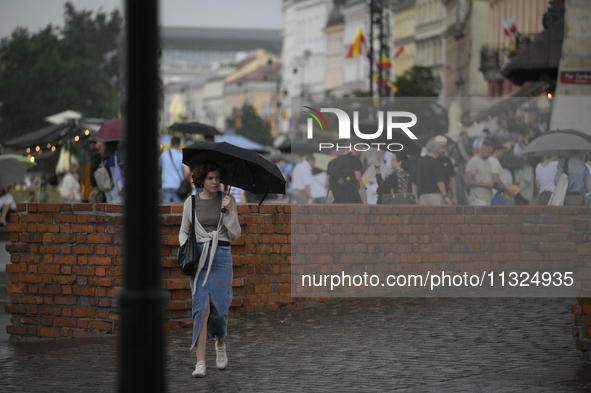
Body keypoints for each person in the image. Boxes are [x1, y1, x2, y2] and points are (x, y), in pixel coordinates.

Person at [179, 160, 241, 378]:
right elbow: (184, 231)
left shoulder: (228, 200)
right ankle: (201, 362)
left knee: (221, 309)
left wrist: (230, 213)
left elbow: (235, 234)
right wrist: (186, 250)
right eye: (210, 178)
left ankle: (220, 342)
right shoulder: (191, 202)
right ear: (201, 180)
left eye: (217, 178)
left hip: (222, 257)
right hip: (200, 258)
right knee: (201, 310)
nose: (215, 182)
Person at [411, 141, 451, 206]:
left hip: (422, 197)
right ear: (437, 150)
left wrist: (415, 197)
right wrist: (445, 196)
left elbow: (414, 182)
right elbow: (439, 181)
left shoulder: (420, 162)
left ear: (427, 149)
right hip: (436, 196)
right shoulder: (436, 163)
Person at [159, 137, 191, 203]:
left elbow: (158, 170)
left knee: (166, 210)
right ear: (179, 145)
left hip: (165, 185)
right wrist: (184, 181)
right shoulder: (181, 156)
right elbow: (187, 172)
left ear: (170, 144)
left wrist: (160, 180)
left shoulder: (163, 155)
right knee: (177, 210)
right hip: (178, 187)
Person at [464, 139, 495, 206]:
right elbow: (467, 181)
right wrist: (486, 184)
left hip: (488, 198)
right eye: (488, 152)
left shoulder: (488, 161)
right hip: (477, 199)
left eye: (491, 153)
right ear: (482, 148)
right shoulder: (473, 162)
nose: (489, 155)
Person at [434, 136, 458, 205]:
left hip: (445, 195)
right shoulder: (431, 160)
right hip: (433, 193)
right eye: (442, 148)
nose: (444, 150)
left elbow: (452, 179)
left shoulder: (447, 160)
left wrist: (454, 197)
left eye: (445, 148)